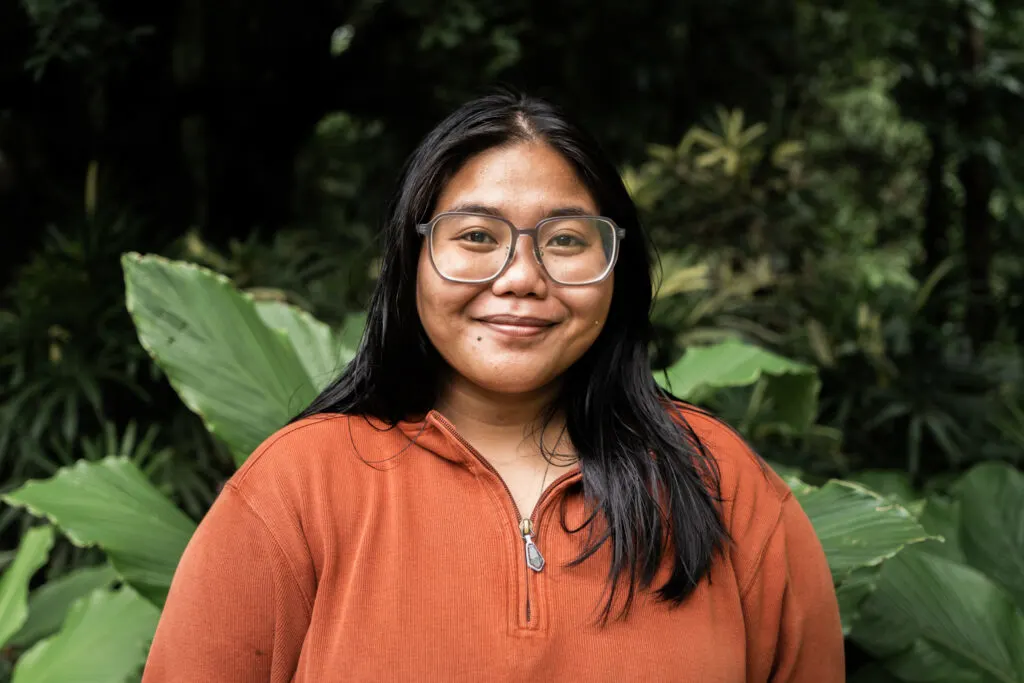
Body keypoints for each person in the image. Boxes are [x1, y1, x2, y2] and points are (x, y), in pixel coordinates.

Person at [141, 89, 844, 682]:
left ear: (615, 268)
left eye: (566, 239)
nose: (520, 277)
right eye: (476, 235)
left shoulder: (723, 486)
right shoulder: (297, 490)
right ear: (413, 259)